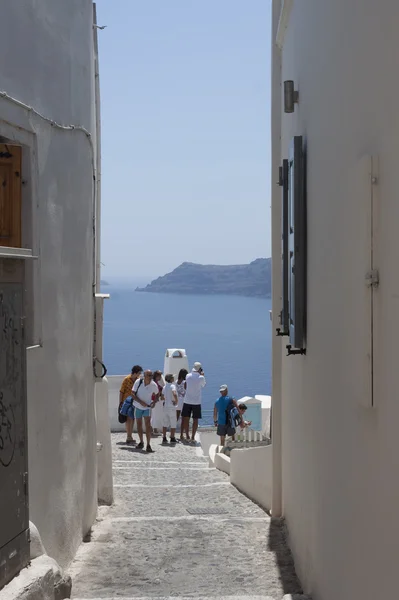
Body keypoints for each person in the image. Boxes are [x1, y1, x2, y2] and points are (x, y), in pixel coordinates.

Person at [132, 369, 159, 452]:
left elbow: (157, 393)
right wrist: (140, 402)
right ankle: (141, 441)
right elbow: (132, 393)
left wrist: (154, 402)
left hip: (147, 408)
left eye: (151, 375)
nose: (151, 377)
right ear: (145, 376)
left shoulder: (153, 385)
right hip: (138, 406)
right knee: (139, 425)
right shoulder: (138, 382)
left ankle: (148, 444)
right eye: (149, 375)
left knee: (147, 425)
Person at [181, 362, 206, 443]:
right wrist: (202, 375)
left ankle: (187, 435)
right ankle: (192, 437)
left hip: (187, 400)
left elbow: (185, 385)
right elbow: (203, 385)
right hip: (196, 402)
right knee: (195, 420)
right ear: (199, 369)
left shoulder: (187, 376)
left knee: (186, 419)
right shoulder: (201, 377)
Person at [119, 365, 143, 444]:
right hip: (126, 402)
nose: (140, 374)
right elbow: (121, 391)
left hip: (134, 402)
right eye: (139, 373)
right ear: (135, 373)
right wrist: (120, 403)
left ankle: (129, 436)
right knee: (128, 419)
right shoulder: (126, 379)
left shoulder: (138, 381)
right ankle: (129, 436)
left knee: (132, 418)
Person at [162, 374, 178, 444]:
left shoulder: (164, 387)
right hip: (171, 406)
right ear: (171, 379)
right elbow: (174, 393)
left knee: (165, 422)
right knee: (173, 422)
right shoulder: (172, 386)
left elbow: (162, 397)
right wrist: (176, 401)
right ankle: (172, 437)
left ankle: (164, 437)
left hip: (165, 406)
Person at [175, 368, 188, 440]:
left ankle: (172, 433)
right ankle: (181, 435)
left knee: (176, 418)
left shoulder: (176, 381)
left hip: (177, 402)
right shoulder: (185, 382)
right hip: (183, 401)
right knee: (183, 419)